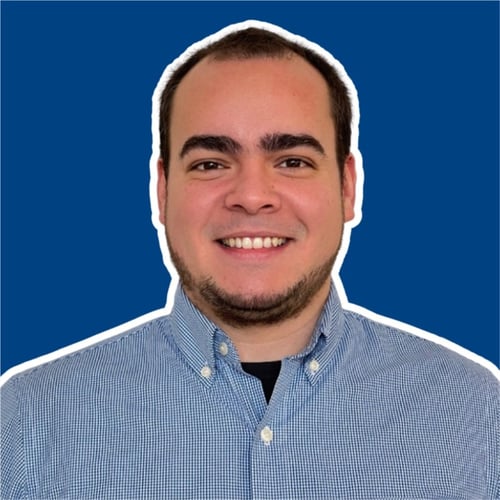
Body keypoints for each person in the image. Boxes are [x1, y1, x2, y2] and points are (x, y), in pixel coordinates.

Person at [1, 20, 498, 500]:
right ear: (162, 191)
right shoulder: (26, 422)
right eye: (211, 163)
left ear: (348, 187)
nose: (252, 196)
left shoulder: (476, 412)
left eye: (293, 161)